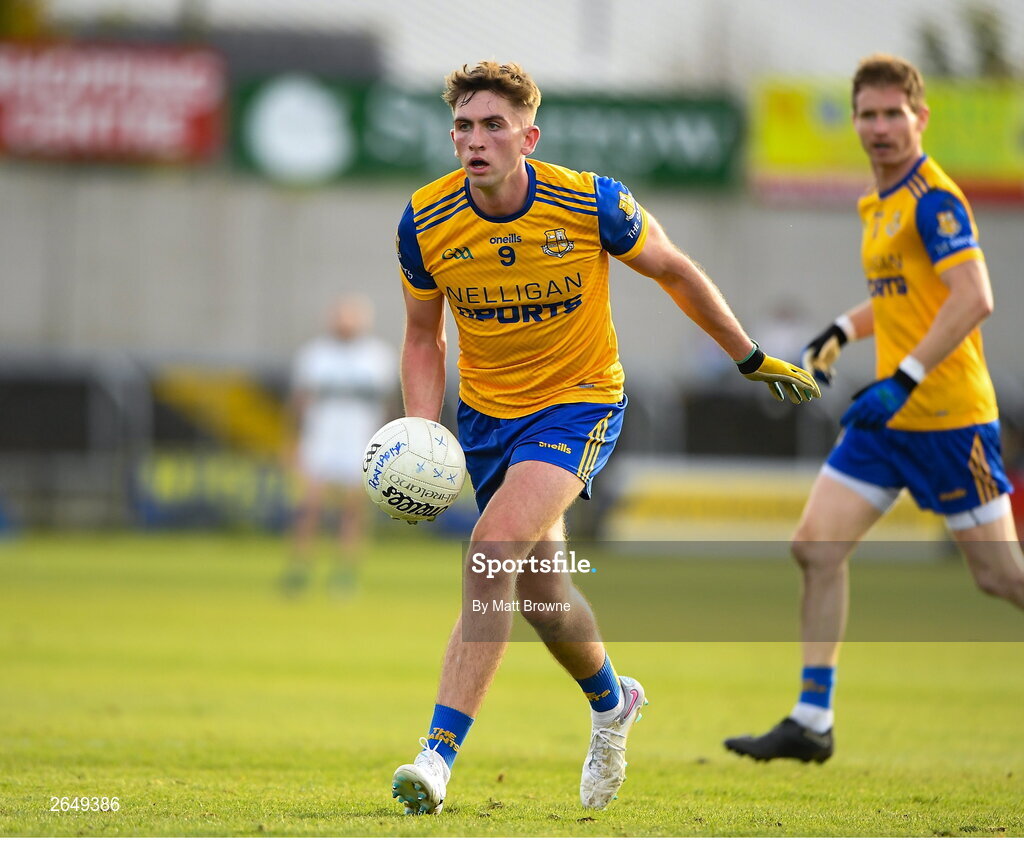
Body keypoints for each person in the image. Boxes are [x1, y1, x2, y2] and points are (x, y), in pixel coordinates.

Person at [390, 60, 820, 815]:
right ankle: (613, 701)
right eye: (464, 125)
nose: (476, 139)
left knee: (490, 552)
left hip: (578, 404)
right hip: (488, 419)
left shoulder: (591, 201)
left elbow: (676, 271)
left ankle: (436, 755)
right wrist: (424, 429)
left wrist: (747, 356)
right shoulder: (423, 221)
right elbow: (423, 338)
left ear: (530, 136)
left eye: (494, 125)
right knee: (541, 594)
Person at [724, 53, 1024, 764]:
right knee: (814, 545)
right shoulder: (878, 201)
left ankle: (812, 715)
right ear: (854, 122)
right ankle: (812, 717)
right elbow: (903, 297)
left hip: (949, 416)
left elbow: (972, 296)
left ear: (920, 118)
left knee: (999, 577)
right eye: (869, 114)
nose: (881, 126)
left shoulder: (934, 199)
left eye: (895, 113)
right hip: (890, 421)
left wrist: (908, 375)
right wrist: (844, 328)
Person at [282, 294, 397, 594]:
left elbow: (388, 406)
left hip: (361, 443)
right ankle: (299, 566)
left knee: (353, 509)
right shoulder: (314, 355)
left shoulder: (378, 356)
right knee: (309, 505)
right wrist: (291, 441)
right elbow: (298, 403)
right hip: (320, 440)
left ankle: (345, 572)